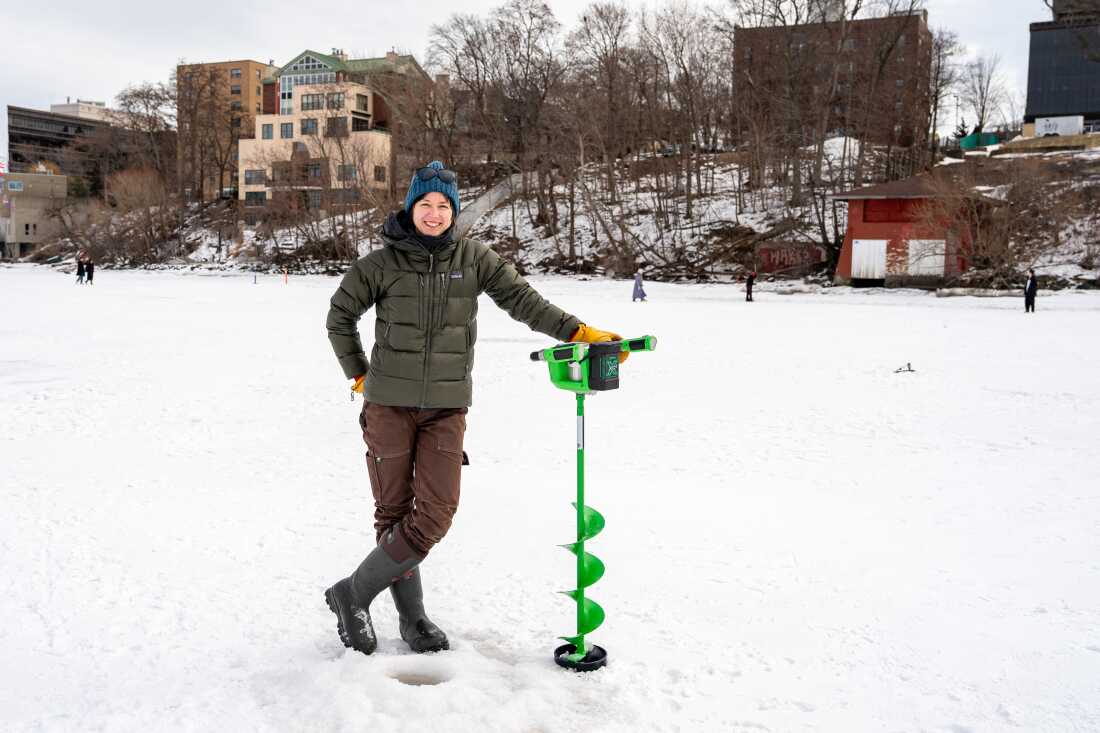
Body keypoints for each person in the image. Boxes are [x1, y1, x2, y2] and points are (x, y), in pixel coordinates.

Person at [324, 160, 627, 656]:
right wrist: (358, 373)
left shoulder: (475, 258)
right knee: (394, 511)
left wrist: (578, 332)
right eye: (426, 204)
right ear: (411, 207)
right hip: (388, 406)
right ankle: (413, 618)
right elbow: (339, 317)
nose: (435, 213)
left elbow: (523, 300)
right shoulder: (378, 265)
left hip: (446, 407)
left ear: (455, 211)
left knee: (435, 513)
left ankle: (353, 592)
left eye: (444, 206)